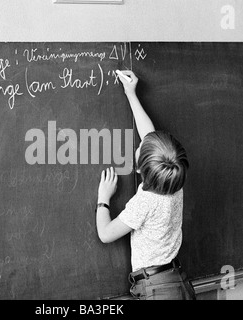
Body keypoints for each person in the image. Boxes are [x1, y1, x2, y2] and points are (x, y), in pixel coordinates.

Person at [95, 70, 195, 300]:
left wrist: (104, 199)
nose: (138, 145)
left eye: (139, 149)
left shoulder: (145, 202)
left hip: (157, 290)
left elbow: (106, 234)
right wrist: (131, 94)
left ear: (140, 170)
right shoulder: (173, 182)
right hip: (175, 281)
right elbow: (149, 135)